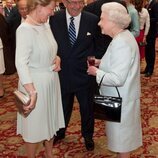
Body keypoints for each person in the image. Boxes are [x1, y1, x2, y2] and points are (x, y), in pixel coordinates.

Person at [87, 2, 142, 158]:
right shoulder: (122, 37)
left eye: (102, 19)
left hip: (118, 100)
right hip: (116, 98)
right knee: (119, 140)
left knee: (122, 141)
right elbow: (118, 64)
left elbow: (118, 78)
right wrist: (100, 62)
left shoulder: (121, 42)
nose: (99, 23)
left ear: (113, 21)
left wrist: (95, 71)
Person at [49, 0, 101, 151]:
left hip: (85, 74)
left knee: (87, 108)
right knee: (63, 106)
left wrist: (94, 63)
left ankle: (88, 135)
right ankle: (60, 131)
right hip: (62, 72)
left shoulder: (92, 19)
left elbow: (99, 45)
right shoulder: (54, 18)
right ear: (64, 2)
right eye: (72, 2)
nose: (76, 6)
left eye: (80, 2)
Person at [15, 0, 65, 157]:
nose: (52, 12)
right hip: (34, 83)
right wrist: (32, 92)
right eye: (50, 8)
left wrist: (57, 59)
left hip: (51, 80)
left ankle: (49, 154)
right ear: (39, 6)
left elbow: (50, 49)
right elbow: (21, 63)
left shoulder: (45, 24)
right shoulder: (24, 29)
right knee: (34, 127)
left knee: (50, 121)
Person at [5, 0, 28, 75]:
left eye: (26, 8)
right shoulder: (15, 13)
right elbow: (7, 23)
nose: (24, 11)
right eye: (22, 9)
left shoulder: (37, 20)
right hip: (17, 46)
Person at [142, 0, 158, 77]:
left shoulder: (155, 4)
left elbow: (156, 18)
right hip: (146, 32)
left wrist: (147, 20)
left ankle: (150, 70)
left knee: (151, 51)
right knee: (147, 51)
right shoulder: (146, 4)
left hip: (152, 32)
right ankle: (147, 67)